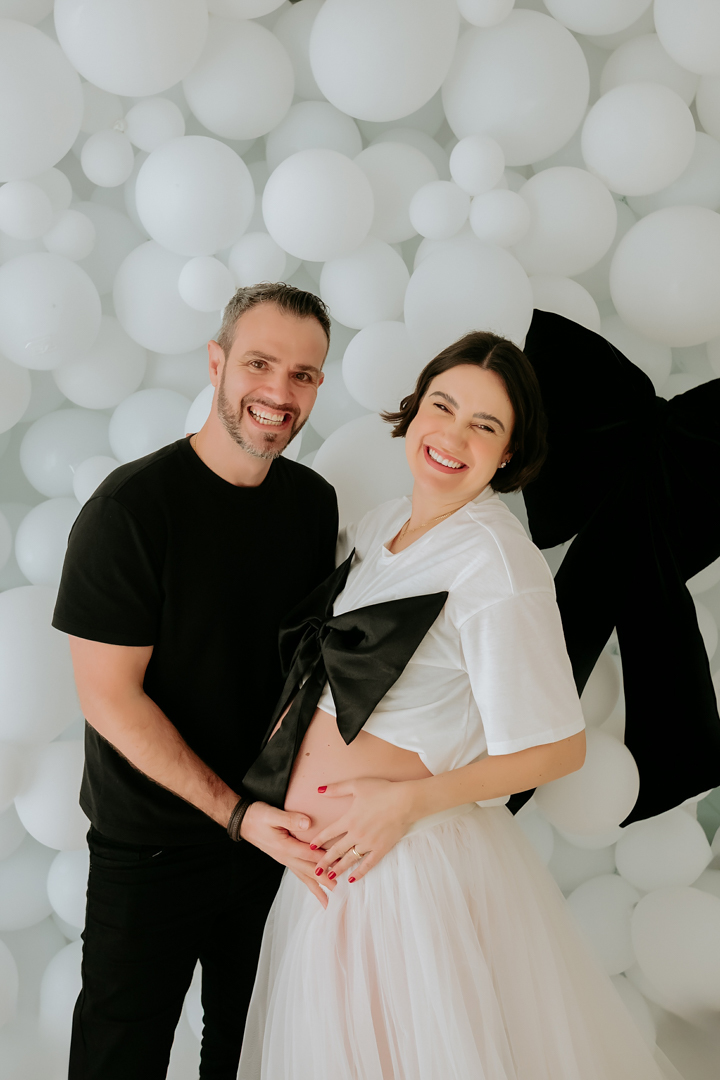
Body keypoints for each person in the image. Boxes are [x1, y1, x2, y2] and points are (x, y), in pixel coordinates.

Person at [237, 331, 684, 1080]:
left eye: (485, 425)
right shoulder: (380, 527)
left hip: (403, 865)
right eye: (442, 407)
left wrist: (403, 804)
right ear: (414, 412)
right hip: (328, 868)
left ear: (509, 454)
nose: (452, 436)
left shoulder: (496, 562)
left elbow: (557, 749)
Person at [51, 284, 339, 1080]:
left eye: (304, 374)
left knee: (252, 1054)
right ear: (216, 363)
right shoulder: (130, 511)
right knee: (120, 1058)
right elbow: (109, 697)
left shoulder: (313, 506)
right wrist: (236, 813)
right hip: (151, 846)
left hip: (272, 842)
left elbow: (309, 672)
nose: (279, 392)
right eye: (259, 364)